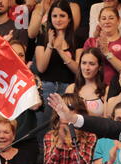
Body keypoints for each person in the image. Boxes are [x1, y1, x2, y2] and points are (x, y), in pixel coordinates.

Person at [35, 0, 82, 151]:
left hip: (68, 90)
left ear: (69, 18)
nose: (58, 19)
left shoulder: (77, 39)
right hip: (47, 88)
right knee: (43, 130)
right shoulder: (42, 37)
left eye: (62, 15)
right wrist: (50, 45)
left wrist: (61, 51)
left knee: (65, 129)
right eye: (54, 16)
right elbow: (41, 67)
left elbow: (78, 70)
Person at [43, 93, 97, 164]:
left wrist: (71, 140)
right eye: (61, 108)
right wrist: (59, 144)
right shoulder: (50, 135)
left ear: (79, 111)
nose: (64, 112)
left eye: (69, 108)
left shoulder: (89, 136)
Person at [83, 6, 121, 86]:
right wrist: (96, 52)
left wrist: (107, 53)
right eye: (104, 18)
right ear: (100, 22)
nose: (107, 21)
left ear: (119, 21)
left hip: (116, 88)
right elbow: (84, 67)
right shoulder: (90, 42)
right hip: (93, 87)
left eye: (111, 18)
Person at [65, 48, 107, 117]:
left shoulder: (106, 90)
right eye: (84, 63)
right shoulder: (71, 88)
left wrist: (85, 111)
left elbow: (108, 122)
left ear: (100, 67)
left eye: (92, 64)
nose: (87, 68)